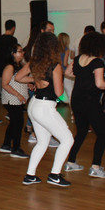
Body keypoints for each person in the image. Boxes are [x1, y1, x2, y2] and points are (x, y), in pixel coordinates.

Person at [16, 32, 74, 186]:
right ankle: (55, 175)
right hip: (45, 108)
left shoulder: (34, 62)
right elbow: (59, 93)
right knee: (68, 139)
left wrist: (36, 79)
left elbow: (18, 77)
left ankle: (30, 176)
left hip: (34, 105)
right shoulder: (55, 65)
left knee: (42, 142)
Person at [63, 32, 105, 178]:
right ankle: (95, 167)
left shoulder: (78, 58)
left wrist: (83, 76)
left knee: (81, 131)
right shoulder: (98, 62)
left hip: (76, 100)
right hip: (90, 101)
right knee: (102, 133)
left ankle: (71, 162)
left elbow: (68, 73)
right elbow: (100, 84)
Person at [0, 44, 29, 158]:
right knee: (18, 123)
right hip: (12, 99)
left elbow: (18, 80)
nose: (22, 53)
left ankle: (6, 145)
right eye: (20, 51)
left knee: (14, 123)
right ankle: (16, 148)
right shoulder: (9, 67)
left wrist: (29, 84)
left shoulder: (18, 65)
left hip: (16, 100)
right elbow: (5, 84)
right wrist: (18, 95)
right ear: (13, 53)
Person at [0, 20, 17, 124]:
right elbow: (14, 54)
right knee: (10, 92)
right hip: (6, 70)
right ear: (13, 28)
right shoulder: (13, 40)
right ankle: (10, 113)